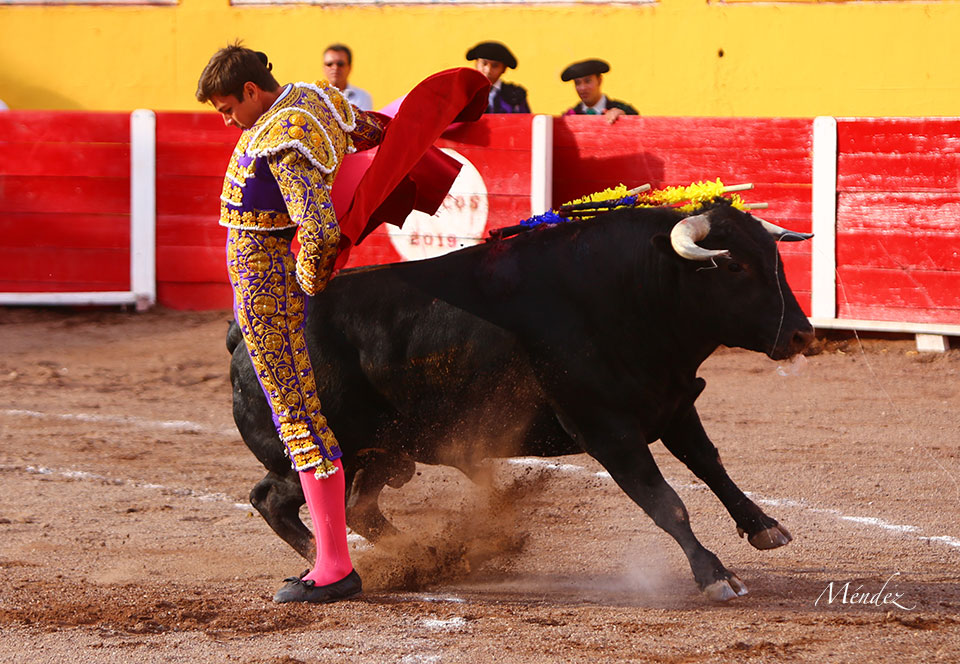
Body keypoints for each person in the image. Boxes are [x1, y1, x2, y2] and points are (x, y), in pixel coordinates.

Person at [196, 43, 489, 604]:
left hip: (270, 295)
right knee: (303, 422)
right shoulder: (316, 98)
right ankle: (333, 559)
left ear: (252, 92)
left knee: (301, 424)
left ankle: (333, 567)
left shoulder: (284, 137)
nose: (227, 121)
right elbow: (374, 131)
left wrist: (306, 284)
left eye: (227, 108)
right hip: (270, 289)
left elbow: (319, 227)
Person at [561, 59, 637, 125]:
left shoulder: (623, 110)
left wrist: (625, 119)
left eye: (588, 81)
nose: (582, 88)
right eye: (577, 83)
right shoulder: (571, 116)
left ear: (599, 81)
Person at [465, 41, 530, 114]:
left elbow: (524, 121)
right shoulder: (464, 92)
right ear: (476, 64)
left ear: (504, 69)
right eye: (484, 63)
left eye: (495, 66)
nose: (488, 70)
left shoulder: (515, 95)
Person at [323, 43, 373, 111]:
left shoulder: (363, 97)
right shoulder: (314, 96)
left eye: (340, 64)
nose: (335, 68)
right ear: (323, 67)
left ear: (349, 67)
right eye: (329, 64)